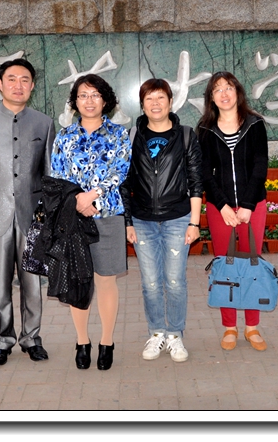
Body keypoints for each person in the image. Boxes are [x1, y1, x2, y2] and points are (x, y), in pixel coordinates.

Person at [0, 58, 55, 367]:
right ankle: (2, 340)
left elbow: (50, 175)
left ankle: (32, 338)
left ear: (32, 85)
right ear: (0, 85)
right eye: (12, 79)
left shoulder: (44, 123)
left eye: (25, 80)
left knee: (33, 283)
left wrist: (48, 218)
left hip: (33, 216)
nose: (19, 85)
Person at [50, 74, 132, 371]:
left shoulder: (119, 134)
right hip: (74, 216)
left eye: (95, 95)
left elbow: (120, 170)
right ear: (75, 102)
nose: (89, 101)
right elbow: (57, 174)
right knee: (79, 279)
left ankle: (107, 342)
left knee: (106, 280)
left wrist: (93, 195)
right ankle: (82, 341)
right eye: (83, 95)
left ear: (105, 100)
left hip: (108, 214)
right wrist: (77, 200)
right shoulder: (64, 136)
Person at [122, 79, 203, 363]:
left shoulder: (186, 135)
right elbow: (124, 183)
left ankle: (175, 334)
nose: (155, 104)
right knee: (151, 283)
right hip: (142, 221)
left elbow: (196, 181)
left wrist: (194, 223)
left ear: (170, 102)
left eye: (160, 98)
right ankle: (157, 333)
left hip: (178, 219)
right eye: (149, 98)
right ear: (142, 104)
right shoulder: (132, 136)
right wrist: (127, 223)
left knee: (175, 281)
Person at [196, 71, 270, 352]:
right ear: (211, 98)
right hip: (220, 209)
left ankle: (252, 327)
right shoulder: (205, 129)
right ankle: (229, 326)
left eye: (228, 87)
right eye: (217, 90)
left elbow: (260, 166)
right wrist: (223, 206)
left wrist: (248, 205)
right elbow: (205, 172)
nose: (224, 93)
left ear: (238, 92)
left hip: (254, 206)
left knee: (252, 265)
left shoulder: (255, 124)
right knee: (225, 266)